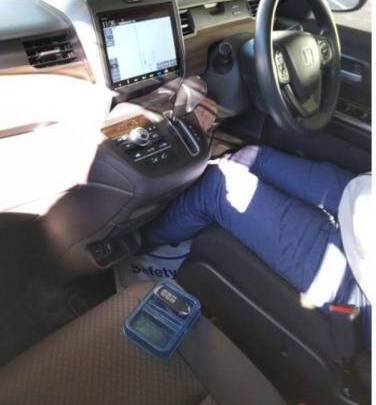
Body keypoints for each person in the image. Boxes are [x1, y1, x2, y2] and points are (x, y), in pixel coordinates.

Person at [144, 145, 372, 348]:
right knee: (254, 157)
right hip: (364, 197)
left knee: (218, 186)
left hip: (357, 279)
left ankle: (138, 243)